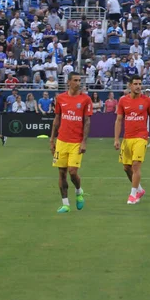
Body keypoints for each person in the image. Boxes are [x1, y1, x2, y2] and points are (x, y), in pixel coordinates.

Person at [114, 75, 150, 205]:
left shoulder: (147, 101)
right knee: (126, 167)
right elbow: (119, 120)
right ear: (130, 86)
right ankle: (140, 189)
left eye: (140, 84)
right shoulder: (123, 101)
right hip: (127, 138)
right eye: (135, 84)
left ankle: (132, 195)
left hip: (141, 137)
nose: (138, 86)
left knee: (136, 165)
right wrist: (116, 139)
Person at [50, 72, 92, 213]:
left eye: (79, 80)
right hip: (62, 141)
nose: (78, 83)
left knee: (73, 172)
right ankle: (65, 204)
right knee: (62, 173)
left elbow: (87, 121)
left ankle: (79, 191)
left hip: (76, 142)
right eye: (75, 80)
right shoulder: (60, 98)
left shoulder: (85, 99)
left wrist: (84, 142)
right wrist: (52, 139)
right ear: (68, 82)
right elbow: (57, 119)